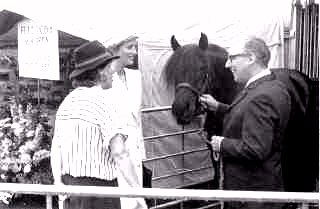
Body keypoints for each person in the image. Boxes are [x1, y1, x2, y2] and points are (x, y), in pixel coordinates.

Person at [50, 40, 146, 209]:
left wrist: (58, 181)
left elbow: (56, 147)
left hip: (71, 192)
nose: (112, 73)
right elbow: (120, 153)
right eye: (109, 68)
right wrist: (139, 194)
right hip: (99, 194)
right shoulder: (104, 102)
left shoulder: (68, 101)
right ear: (100, 72)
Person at [199, 37, 291, 209]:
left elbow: (255, 149)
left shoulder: (260, 97)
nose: (227, 65)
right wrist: (219, 107)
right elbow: (252, 118)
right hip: (263, 190)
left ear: (250, 58)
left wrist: (222, 144)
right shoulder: (272, 85)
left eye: (232, 58)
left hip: (251, 197)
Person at [104, 36, 148, 209]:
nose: (135, 52)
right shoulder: (104, 79)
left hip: (135, 152)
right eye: (130, 47)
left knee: (138, 203)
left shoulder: (136, 76)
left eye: (135, 47)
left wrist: (141, 151)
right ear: (115, 49)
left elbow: (137, 120)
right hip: (114, 153)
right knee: (123, 203)